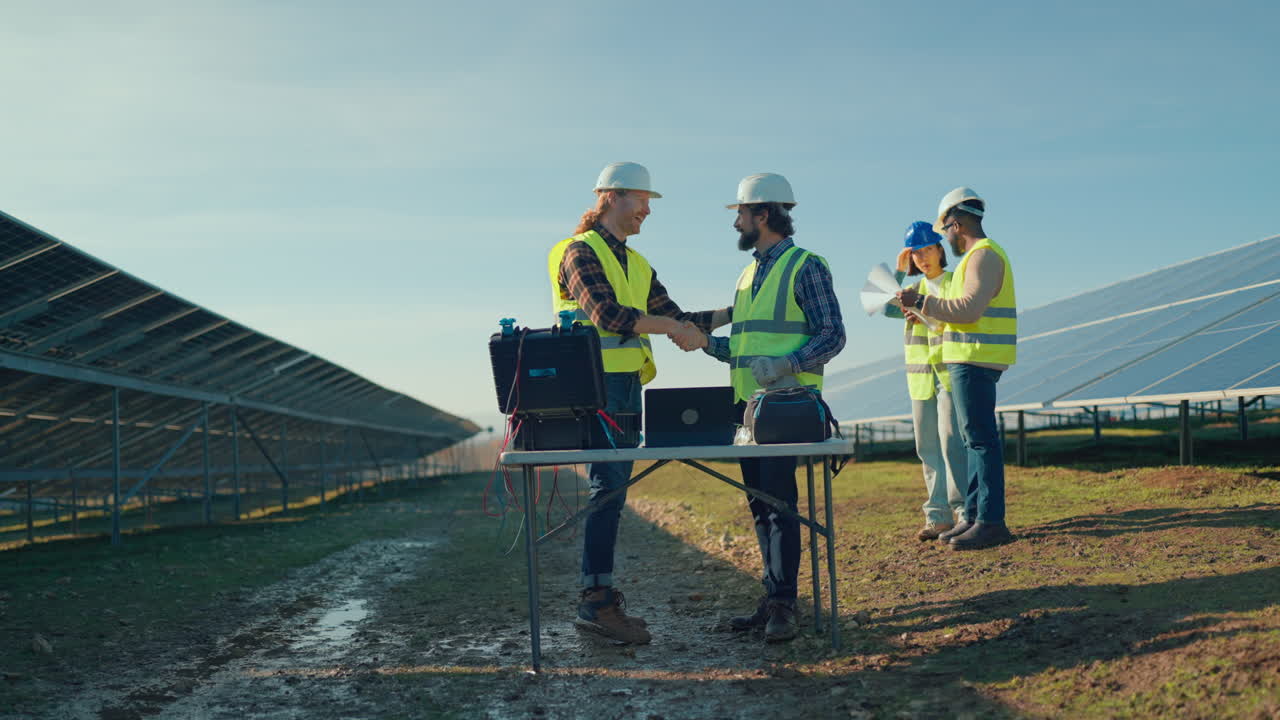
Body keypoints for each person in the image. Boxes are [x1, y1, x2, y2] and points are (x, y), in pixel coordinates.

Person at [548, 162, 729, 643]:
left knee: (613, 492)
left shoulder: (639, 264)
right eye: (641, 200)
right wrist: (673, 329)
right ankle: (595, 603)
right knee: (606, 490)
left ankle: (600, 599)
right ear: (610, 197)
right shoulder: (578, 252)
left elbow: (678, 316)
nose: (648, 210)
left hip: (626, 387)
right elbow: (607, 315)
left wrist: (734, 312)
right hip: (591, 390)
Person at [678, 173, 846, 641]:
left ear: (763, 214)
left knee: (779, 505)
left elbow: (833, 334)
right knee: (760, 505)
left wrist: (788, 364)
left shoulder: (804, 265)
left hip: (787, 408)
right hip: (747, 411)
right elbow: (747, 348)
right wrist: (707, 344)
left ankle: (785, 606)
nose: (735, 221)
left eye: (740, 212)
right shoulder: (749, 273)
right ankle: (774, 596)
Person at [898, 187, 1017, 550]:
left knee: (980, 442)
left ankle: (990, 521)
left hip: (974, 358)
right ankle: (976, 518)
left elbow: (968, 310)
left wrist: (921, 301)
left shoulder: (982, 256)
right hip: (967, 359)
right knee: (975, 440)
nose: (945, 236)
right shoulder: (974, 258)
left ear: (956, 222)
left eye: (945, 230)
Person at [884, 221, 968, 541]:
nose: (923, 258)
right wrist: (898, 270)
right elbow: (880, 304)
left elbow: (962, 314)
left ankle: (964, 513)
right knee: (928, 447)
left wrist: (925, 312)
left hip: (948, 374)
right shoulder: (911, 290)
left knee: (952, 444)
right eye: (915, 254)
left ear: (939, 249)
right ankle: (938, 517)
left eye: (928, 250)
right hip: (921, 379)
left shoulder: (953, 281)